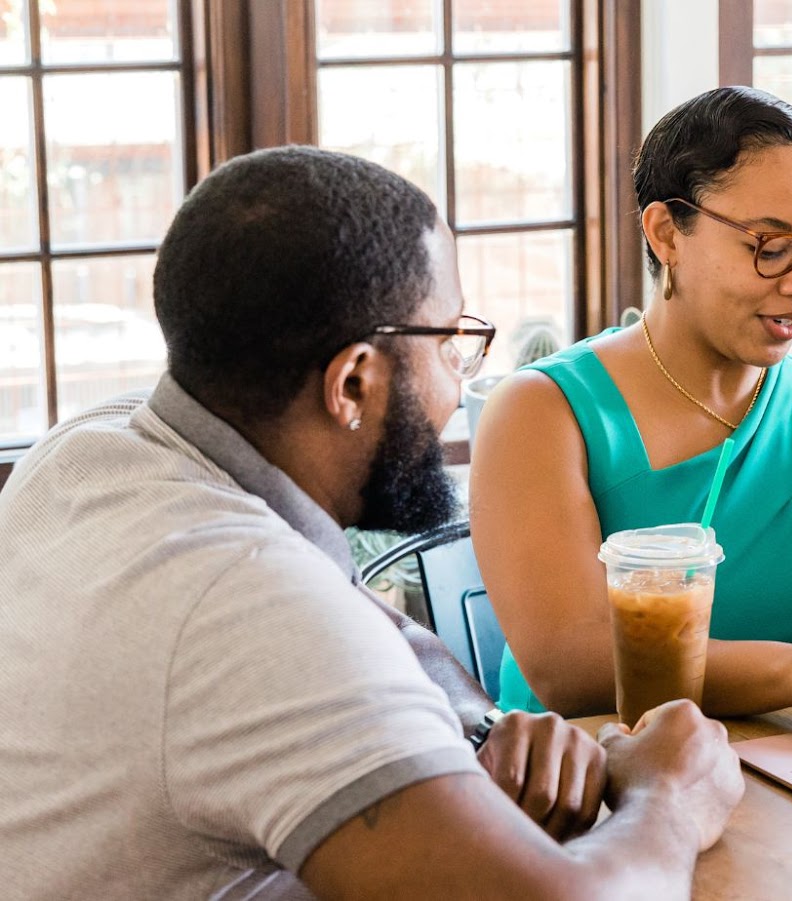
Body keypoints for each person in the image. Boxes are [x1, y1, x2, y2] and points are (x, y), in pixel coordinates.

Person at [0, 146, 742, 899]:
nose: (462, 378)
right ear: (352, 383)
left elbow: (370, 629)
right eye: (450, 343)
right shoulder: (248, 604)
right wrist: (670, 798)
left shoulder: (93, 444)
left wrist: (476, 729)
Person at [472, 86, 792, 717]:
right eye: (771, 247)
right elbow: (571, 665)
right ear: (667, 232)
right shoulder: (542, 413)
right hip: (611, 795)